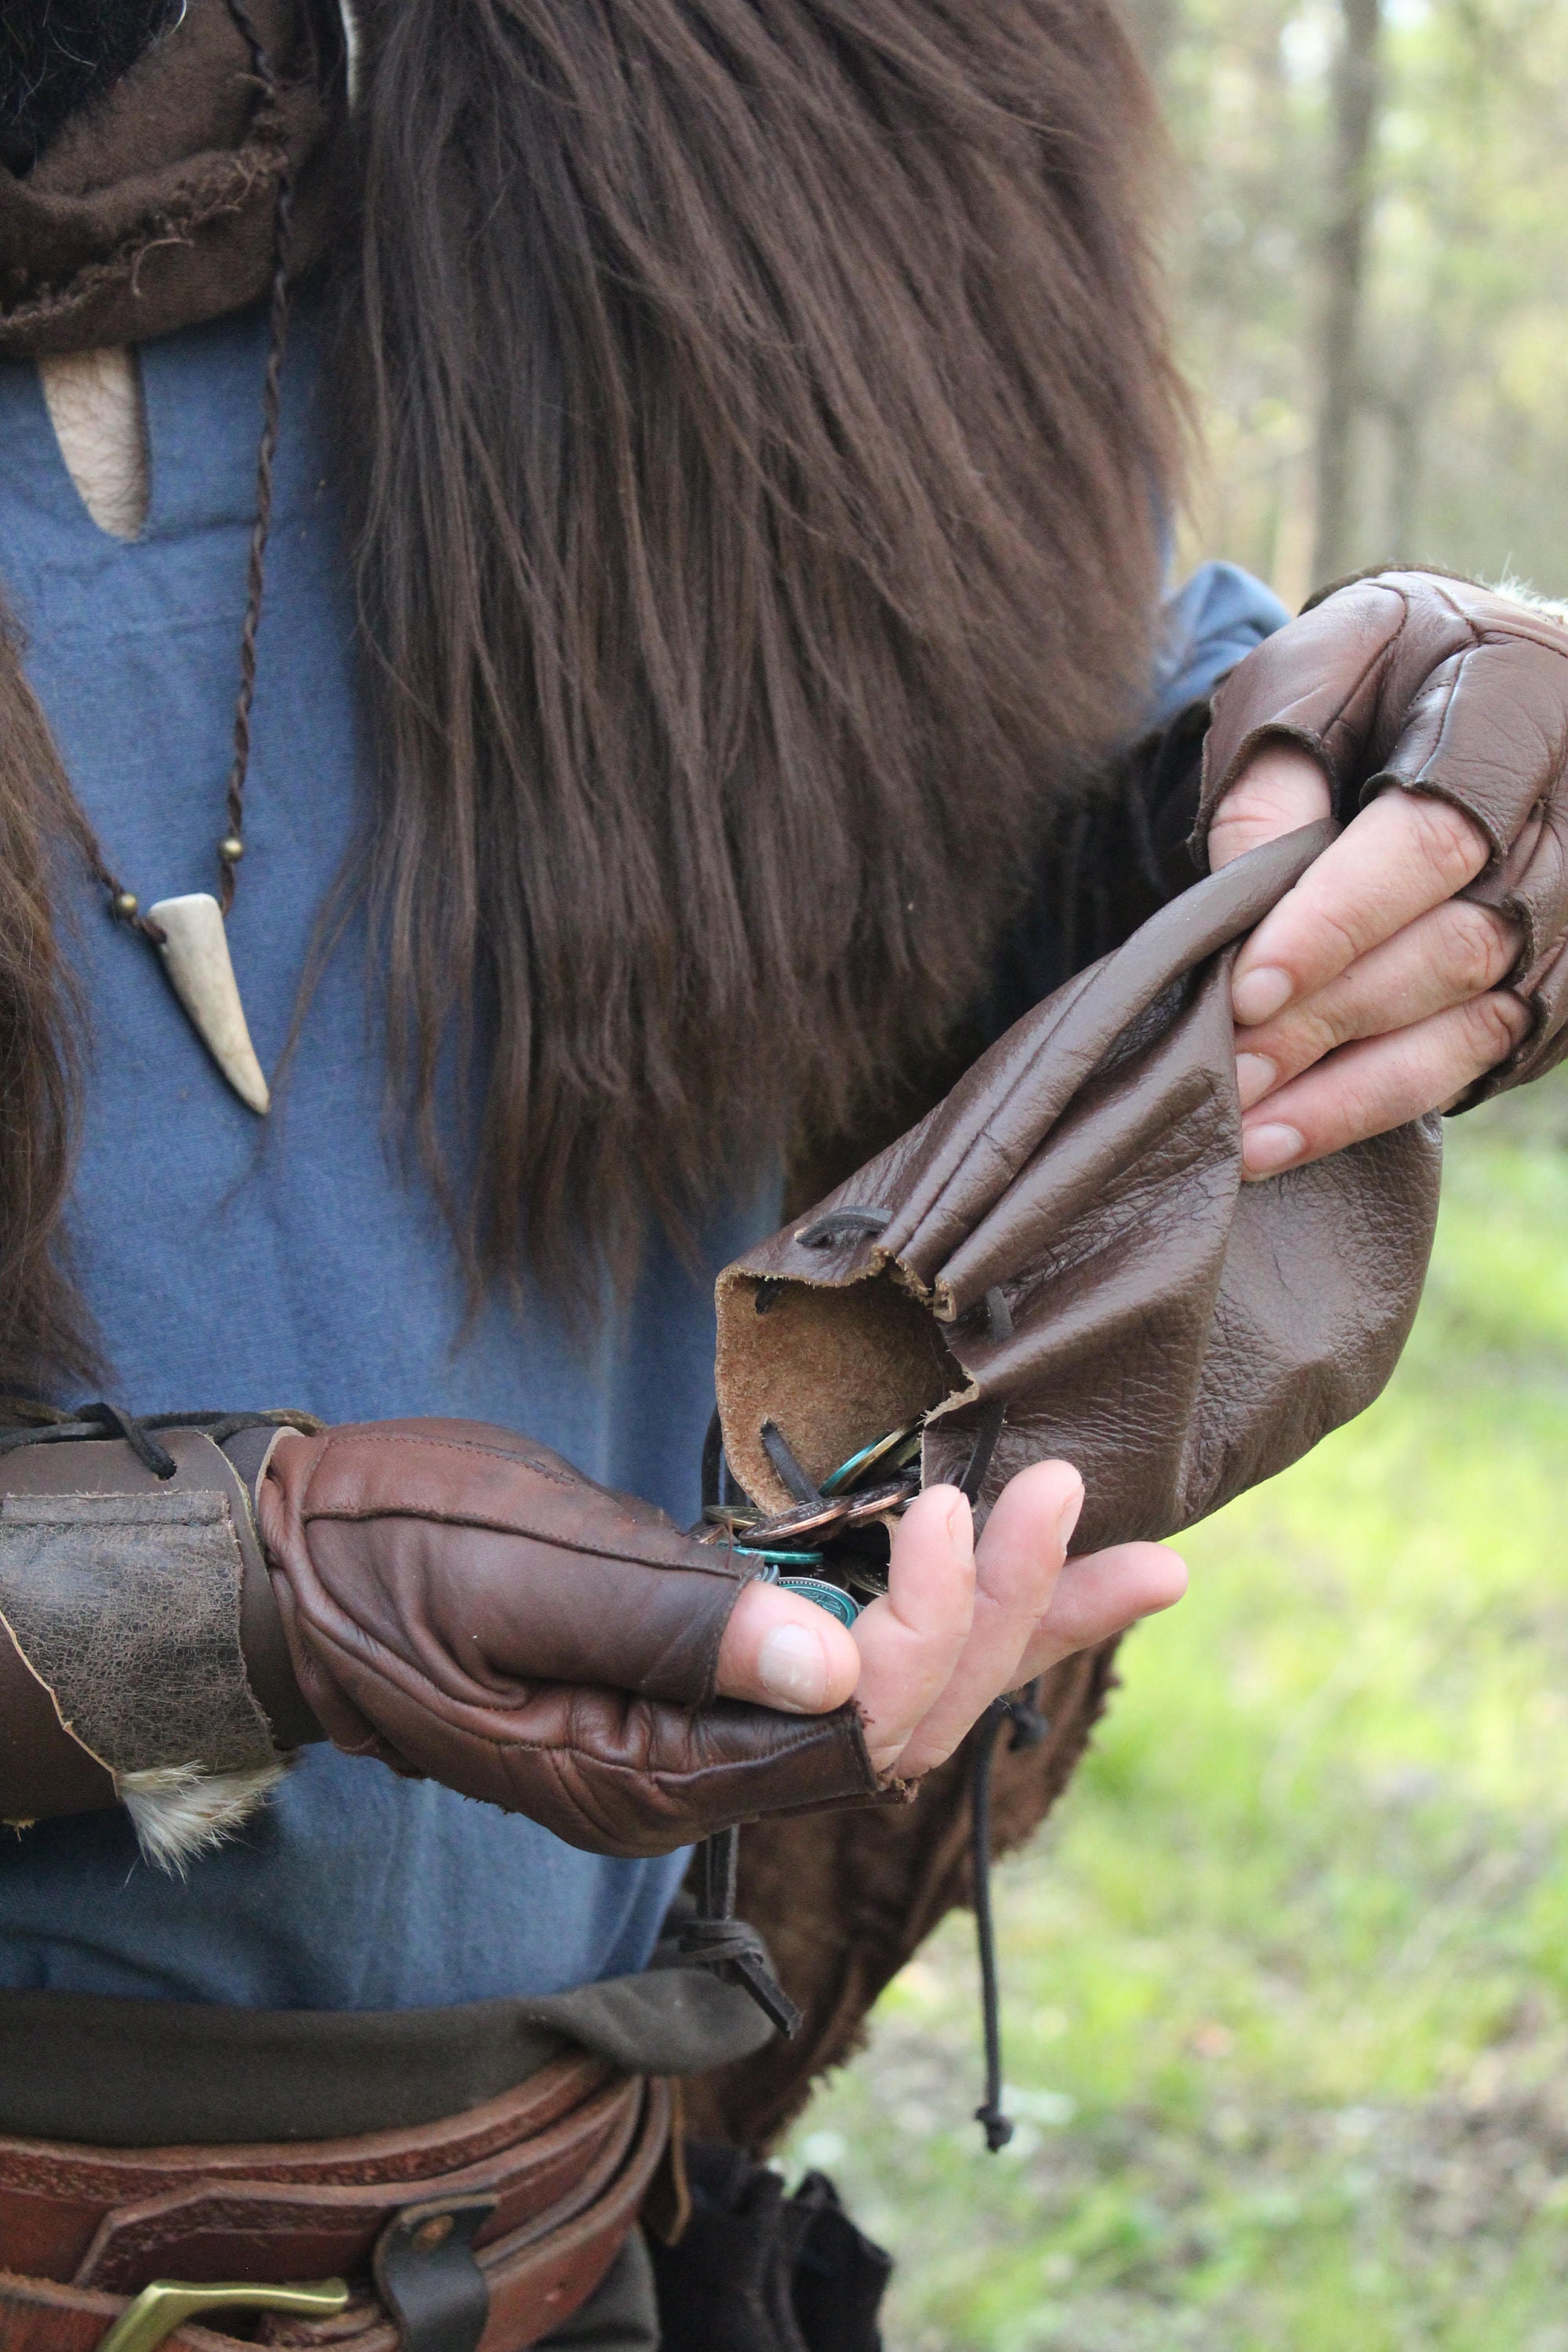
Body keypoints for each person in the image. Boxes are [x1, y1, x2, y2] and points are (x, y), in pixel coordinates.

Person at [0, 2, 1564, 2347]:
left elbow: (1107, 761)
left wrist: (1426, 764)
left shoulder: (755, 152)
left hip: (565, 2263)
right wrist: (245, 1604)